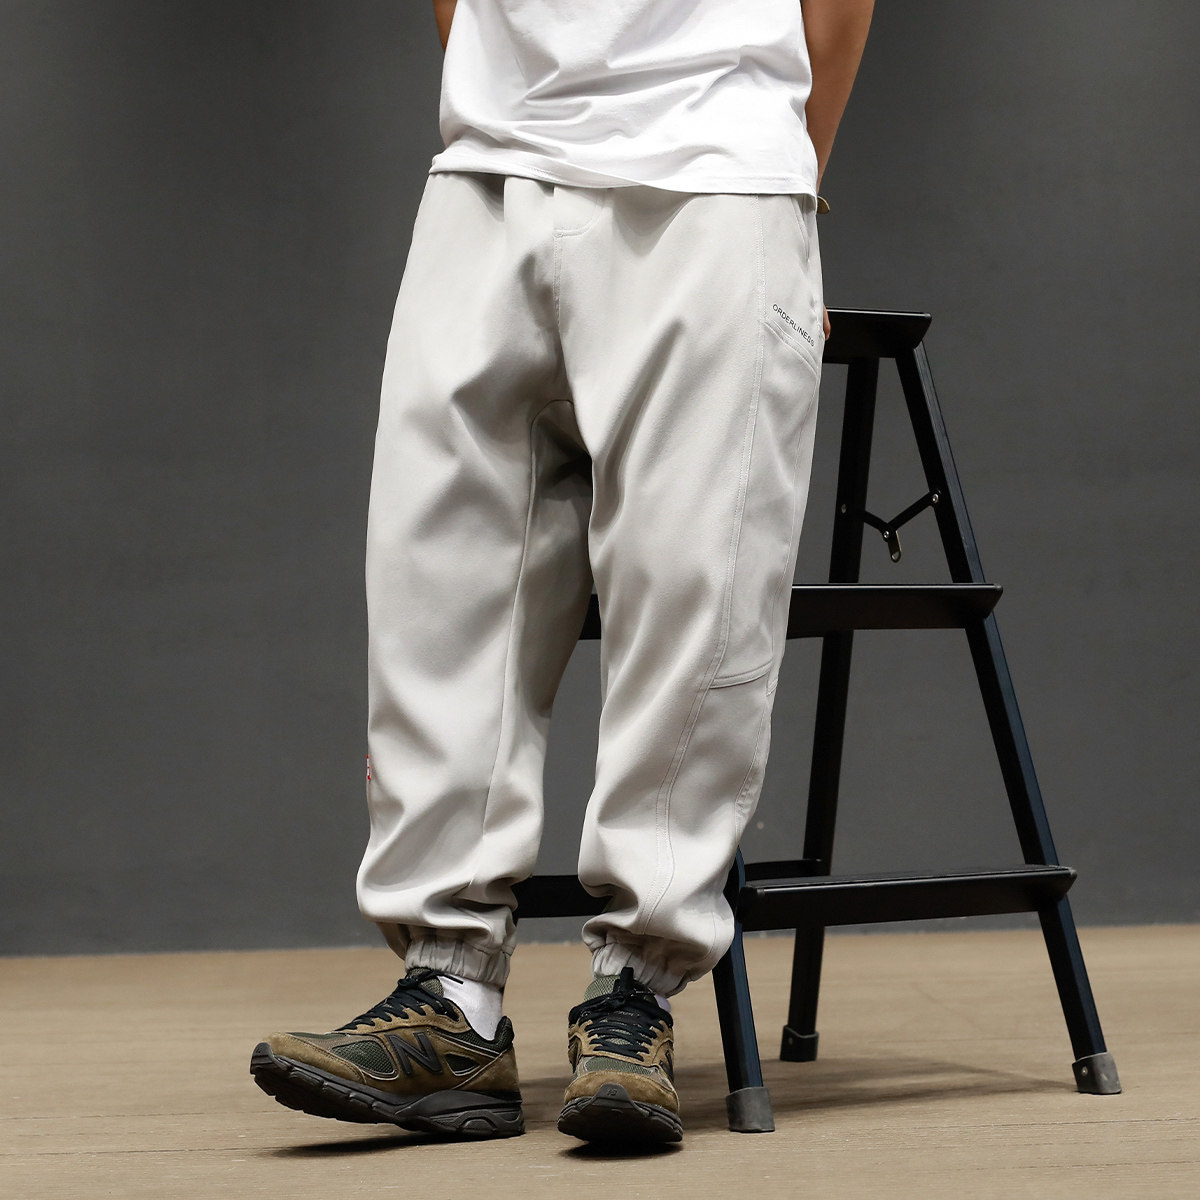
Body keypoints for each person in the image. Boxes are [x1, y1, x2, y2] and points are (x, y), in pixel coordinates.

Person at [251, 0, 874, 1145]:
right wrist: (512, 110)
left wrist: (782, 180)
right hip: (487, 171)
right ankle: (449, 998)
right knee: (440, 595)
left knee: (692, 594)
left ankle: (637, 991)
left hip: (714, 163)